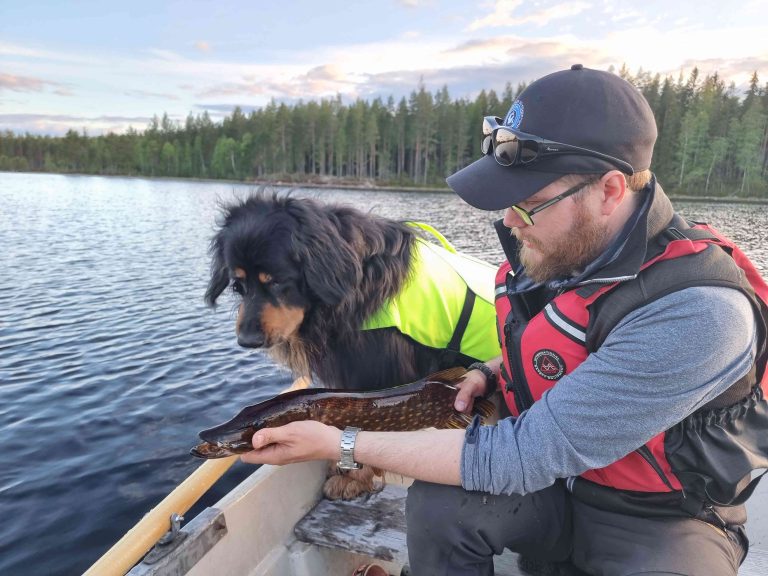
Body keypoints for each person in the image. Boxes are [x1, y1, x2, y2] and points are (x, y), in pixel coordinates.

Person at [241, 65, 768, 576]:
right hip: (559, 492)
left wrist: (342, 443)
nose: (511, 221)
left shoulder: (700, 313)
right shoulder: (569, 248)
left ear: (610, 190)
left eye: (530, 203)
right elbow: (576, 340)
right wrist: (495, 370)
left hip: (658, 516)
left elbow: (523, 456)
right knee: (438, 506)